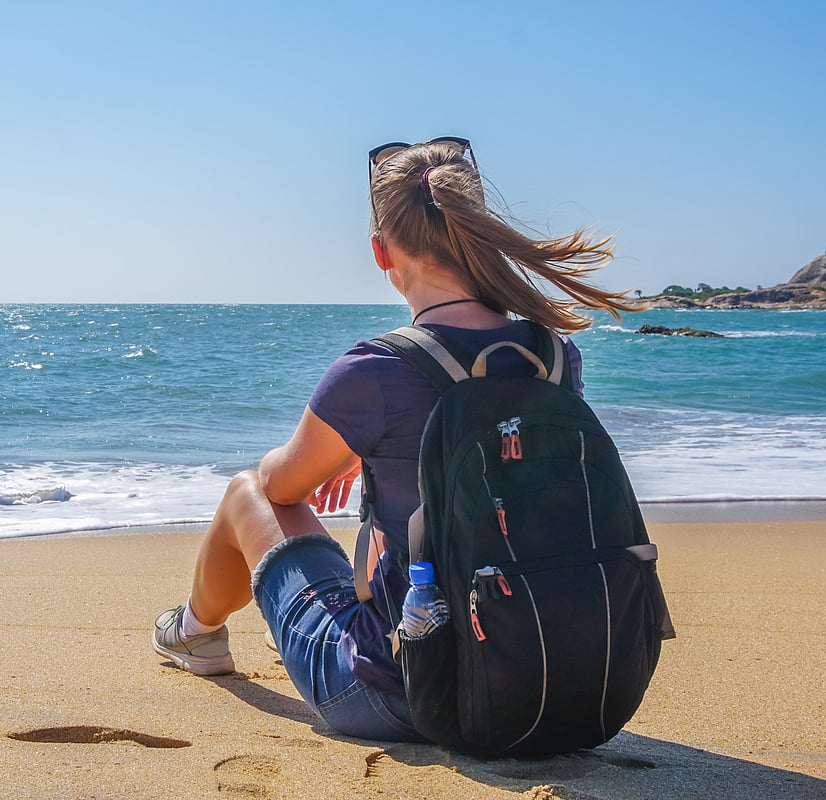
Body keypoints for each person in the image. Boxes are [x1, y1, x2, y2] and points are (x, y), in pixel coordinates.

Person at [152, 137, 638, 741]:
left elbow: (284, 486)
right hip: (555, 676)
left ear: (382, 253)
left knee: (248, 491)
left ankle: (195, 634)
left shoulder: (376, 370)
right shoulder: (554, 355)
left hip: (405, 694)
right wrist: (381, 446)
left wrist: (357, 441)